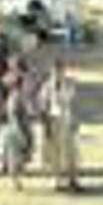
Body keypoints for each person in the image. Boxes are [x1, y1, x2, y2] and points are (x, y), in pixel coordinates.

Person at [39, 59, 82, 192]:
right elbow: (43, 106)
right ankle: (56, 180)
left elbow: (72, 102)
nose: (58, 73)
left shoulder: (69, 84)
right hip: (54, 121)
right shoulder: (47, 86)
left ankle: (72, 180)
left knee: (72, 151)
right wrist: (46, 125)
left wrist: (75, 122)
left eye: (60, 70)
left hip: (66, 120)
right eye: (56, 71)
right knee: (55, 152)